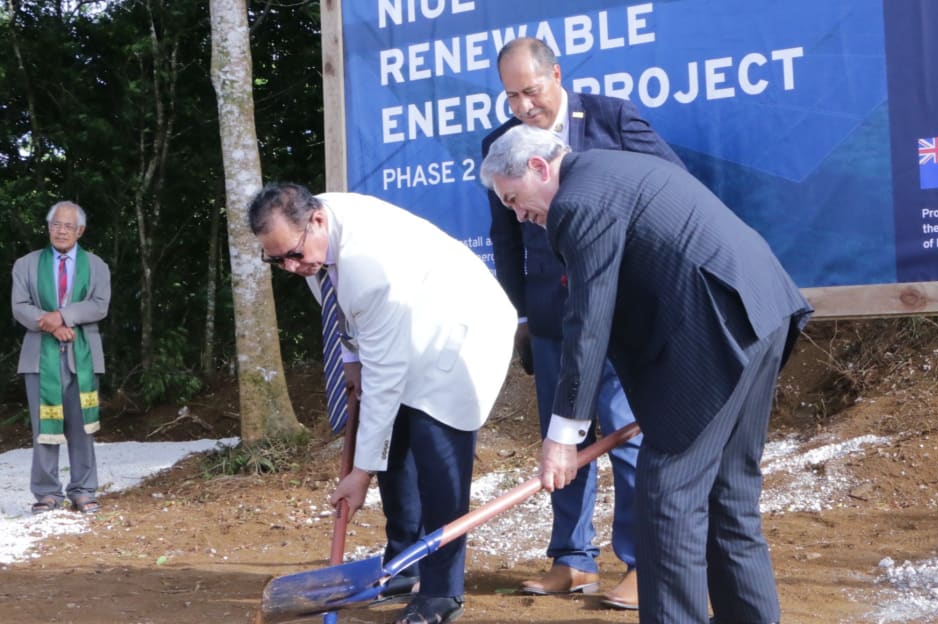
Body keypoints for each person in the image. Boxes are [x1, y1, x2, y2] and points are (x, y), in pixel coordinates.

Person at [480, 125, 812, 624]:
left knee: (668, 499)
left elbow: (588, 323)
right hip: (761, 315)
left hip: (716, 332)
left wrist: (564, 435)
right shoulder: (611, 172)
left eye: (513, 198)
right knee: (729, 498)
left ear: (539, 168)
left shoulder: (577, 203)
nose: (517, 213)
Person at [248, 183, 515, 624]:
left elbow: (385, 379)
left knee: (436, 457)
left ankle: (441, 592)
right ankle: (402, 566)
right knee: (395, 453)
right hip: (405, 328)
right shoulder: (318, 240)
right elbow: (342, 308)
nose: (292, 267)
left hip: (458, 332)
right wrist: (351, 360)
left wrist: (358, 472)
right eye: (276, 260)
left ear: (315, 220)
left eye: (293, 254)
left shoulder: (369, 262)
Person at [482, 36, 685, 609]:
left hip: (621, 310)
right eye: (510, 95)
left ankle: (646, 564)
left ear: (556, 75)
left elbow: (668, 189)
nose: (522, 106)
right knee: (560, 436)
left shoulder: (611, 118)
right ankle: (572, 560)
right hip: (552, 315)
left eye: (531, 90)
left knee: (625, 436)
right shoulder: (501, 146)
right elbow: (507, 239)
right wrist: (522, 314)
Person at [12, 201, 111, 516]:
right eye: (56, 224)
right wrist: (52, 326)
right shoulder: (26, 264)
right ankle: (47, 494)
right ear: (48, 227)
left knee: (83, 425)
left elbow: (99, 305)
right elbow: (20, 306)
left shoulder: (96, 266)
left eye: (68, 226)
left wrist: (62, 317)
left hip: (83, 356)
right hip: (39, 357)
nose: (61, 230)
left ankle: (83, 490)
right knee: (44, 424)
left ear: (80, 230)